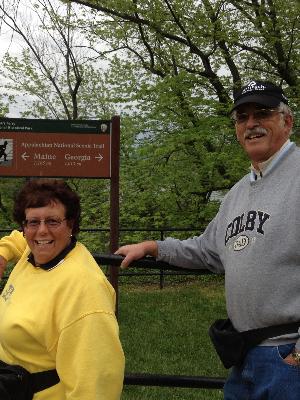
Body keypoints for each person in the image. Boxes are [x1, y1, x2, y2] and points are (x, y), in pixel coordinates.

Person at [116, 80, 300, 399]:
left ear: (287, 121)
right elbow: (207, 250)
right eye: (242, 117)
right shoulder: (238, 193)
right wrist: (154, 247)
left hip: (288, 359)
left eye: (263, 113)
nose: (251, 123)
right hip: (244, 357)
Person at [0, 178, 124, 399]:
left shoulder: (84, 292)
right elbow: (20, 239)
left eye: (53, 221)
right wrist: (3, 251)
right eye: (33, 222)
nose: (42, 232)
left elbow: (96, 386)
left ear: (71, 224)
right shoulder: (35, 253)